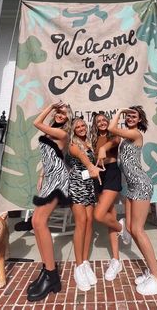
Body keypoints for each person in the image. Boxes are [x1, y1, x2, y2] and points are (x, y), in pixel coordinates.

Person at [108, 106, 157, 296]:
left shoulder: (135, 134)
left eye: (135, 115)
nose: (130, 117)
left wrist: (120, 111)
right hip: (132, 187)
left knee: (139, 230)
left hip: (141, 185)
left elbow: (111, 128)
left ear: (140, 119)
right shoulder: (126, 138)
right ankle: (152, 271)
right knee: (132, 230)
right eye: (129, 115)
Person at [27, 101, 72, 302]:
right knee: (37, 223)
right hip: (49, 177)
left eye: (64, 113)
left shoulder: (62, 134)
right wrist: (41, 176)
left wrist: (52, 107)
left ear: (68, 118)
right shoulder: (50, 132)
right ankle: (47, 270)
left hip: (59, 179)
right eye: (59, 112)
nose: (60, 115)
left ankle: (52, 276)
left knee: (38, 222)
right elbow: (50, 157)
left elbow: (36, 122)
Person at [91, 112, 131, 281]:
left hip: (112, 174)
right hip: (98, 176)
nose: (101, 122)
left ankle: (122, 229)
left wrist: (102, 148)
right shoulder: (93, 139)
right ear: (95, 124)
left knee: (99, 215)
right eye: (98, 121)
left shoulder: (114, 135)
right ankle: (116, 260)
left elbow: (115, 142)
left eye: (103, 120)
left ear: (108, 122)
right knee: (110, 217)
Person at [67, 117, 103, 292]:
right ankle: (78, 266)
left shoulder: (88, 142)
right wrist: (91, 167)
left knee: (89, 223)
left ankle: (85, 262)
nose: (81, 128)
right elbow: (83, 159)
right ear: (73, 130)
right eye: (77, 126)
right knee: (81, 223)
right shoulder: (73, 145)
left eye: (83, 125)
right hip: (76, 185)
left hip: (88, 185)